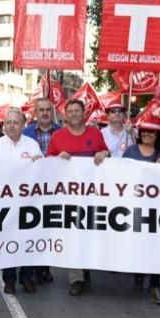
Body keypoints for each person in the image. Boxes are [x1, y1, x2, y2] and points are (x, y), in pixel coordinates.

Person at [47, 99, 109, 297]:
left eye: (77, 111)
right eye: (70, 111)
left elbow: (105, 152)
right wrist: (57, 158)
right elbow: (47, 162)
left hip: (92, 195)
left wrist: (103, 153)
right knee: (72, 234)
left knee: (88, 233)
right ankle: (76, 279)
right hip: (68, 196)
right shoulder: (58, 137)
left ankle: (85, 268)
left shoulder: (95, 133)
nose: (73, 114)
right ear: (65, 115)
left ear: (84, 114)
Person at [0, 108, 43, 294]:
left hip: (28, 203)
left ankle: (26, 277)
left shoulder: (32, 144)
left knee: (27, 241)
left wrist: (38, 163)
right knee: (8, 242)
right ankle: (9, 280)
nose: (11, 125)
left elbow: (41, 172)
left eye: (15, 122)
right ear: (4, 125)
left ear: (23, 124)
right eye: (8, 122)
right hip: (5, 204)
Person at [122, 108, 160, 305]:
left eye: (151, 132)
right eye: (143, 131)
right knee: (138, 243)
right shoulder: (131, 151)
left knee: (156, 245)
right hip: (135, 206)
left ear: (158, 134)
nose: (146, 134)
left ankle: (155, 284)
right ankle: (138, 274)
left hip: (159, 208)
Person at [23, 97, 62, 285]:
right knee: (34, 226)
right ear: (35, 113)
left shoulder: (62, 132)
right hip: (33, 187)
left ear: (52, 112)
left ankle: (45, 267)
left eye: (48, 110)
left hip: (56, 187)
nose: (45, 113)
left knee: (49, 226)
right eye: (41, 110)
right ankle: (33, 267)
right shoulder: (26, 133)